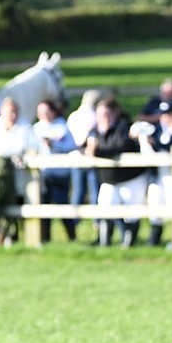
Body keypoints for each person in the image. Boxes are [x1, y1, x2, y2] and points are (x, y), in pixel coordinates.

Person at [0, 97, 39, 245]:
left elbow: (32, 148)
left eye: (14, 112)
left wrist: (22, 157)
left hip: (18, 176)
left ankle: (13, 238)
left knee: (16, 204)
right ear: (1, 112)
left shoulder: (25, 127)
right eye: (8, 112)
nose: (11, 115)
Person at [86, 98, 146, 247]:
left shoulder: (123, 127)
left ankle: (129, 244)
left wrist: (97, 150)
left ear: (114, 114)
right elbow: (85, 148)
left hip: (130, 177)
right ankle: (104, 243)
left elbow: (120, 146)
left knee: (131, 212)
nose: (103, 118)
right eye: (100, 114)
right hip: (109, 179)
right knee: (105, 208)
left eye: (107, 114)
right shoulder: (94, 131)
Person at [140, 101, 172, 248]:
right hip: (158, 174)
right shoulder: (157, 130)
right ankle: (154, 241)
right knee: (155, 204)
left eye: (166, 114)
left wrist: (155, 144)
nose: (163, 117)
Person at [32, 100, 79, 242]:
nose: (44, 115)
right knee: (43, 206)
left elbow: (71, 146)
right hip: (42, 174)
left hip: (59, 173)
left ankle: (72, 237)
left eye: (47, 111)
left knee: (62, 205)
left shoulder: (62, 126)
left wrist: (54, 144)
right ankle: (45, 238)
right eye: (41, 112)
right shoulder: (36, 128)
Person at [66, 89, 101, 239]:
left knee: (78, 191)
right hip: (89, 157)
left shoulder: (74, 116)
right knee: (94, 190)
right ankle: (97, 221)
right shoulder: (94, 115)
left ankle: (75, 220)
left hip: (76, 157)